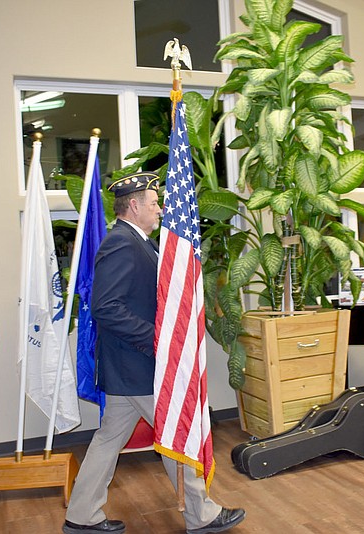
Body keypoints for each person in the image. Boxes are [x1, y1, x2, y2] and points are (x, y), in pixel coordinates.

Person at [63, 172, 245, 534]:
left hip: (130, 367)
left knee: (108, 441)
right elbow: (106, 307)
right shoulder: (121, 243)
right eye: (153, 203)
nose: (160, 209)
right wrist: (158, 340)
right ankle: (201, 514)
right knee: (178, 433)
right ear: (133, 206)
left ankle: (81, 515)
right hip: (139, 365)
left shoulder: (138, 241)